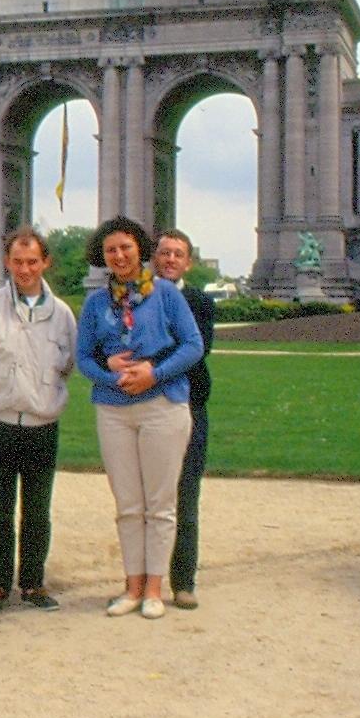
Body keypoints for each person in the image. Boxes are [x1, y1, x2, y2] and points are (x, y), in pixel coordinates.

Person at [77, 216, 203, 620]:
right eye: (111, 249)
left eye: (126, 248)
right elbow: (82, 358)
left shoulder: (166, 294)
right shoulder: (96, 303)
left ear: (140, 251)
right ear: (103, 256)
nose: (119, 255)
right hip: (114, 409)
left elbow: (192, 346)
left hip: (163, 405)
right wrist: (112, 376)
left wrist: (154, 372)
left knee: (160, 504)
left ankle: (154, 588)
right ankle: (131, 585)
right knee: (128, 503)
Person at [0, 226, 78, 616]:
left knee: (38, 509)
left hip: (43, 424)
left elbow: (68, 365)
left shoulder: (62, 314)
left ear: (45, 262)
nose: (25, 269)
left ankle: (32, 582)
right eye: (17, 262)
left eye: (32, 262)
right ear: (6, 262)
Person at [150, 229, 215, 610]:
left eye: (178, 254)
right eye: (165, 253)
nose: (171, 259)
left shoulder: (201, 302)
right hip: (149, 406)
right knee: (149, 498)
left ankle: (183, 580)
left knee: (186, 496)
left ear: (188, 262)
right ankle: (145, 581)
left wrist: (155, 364)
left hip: (189, 406)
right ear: (155, 259)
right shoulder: (138, 297)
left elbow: (199, 349)